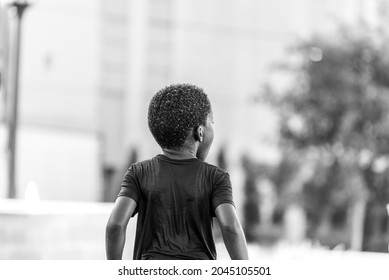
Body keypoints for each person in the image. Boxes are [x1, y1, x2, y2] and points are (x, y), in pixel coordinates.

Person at [105, 83, 248, 260]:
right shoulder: (215, 177)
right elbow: (230, 227)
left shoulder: (139, 172)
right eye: (212, 123)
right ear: (200, 132)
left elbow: (115, 225)